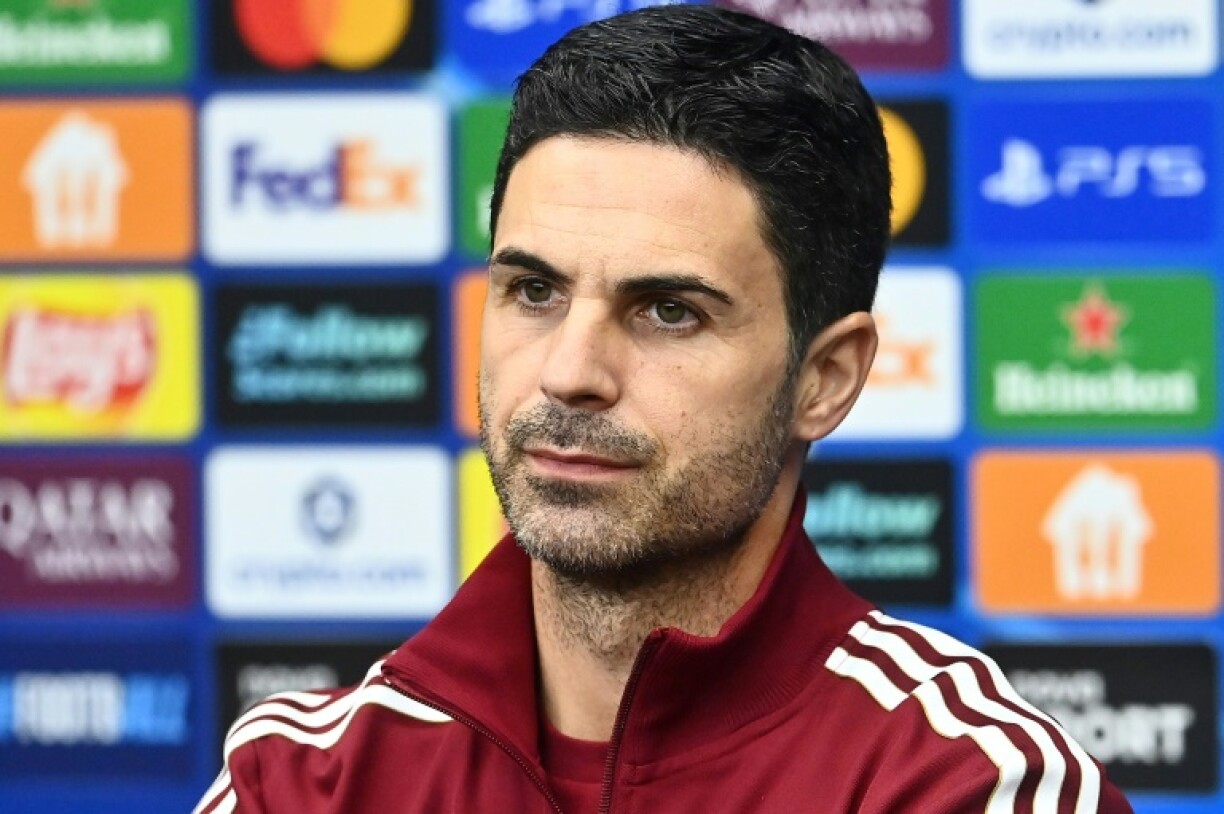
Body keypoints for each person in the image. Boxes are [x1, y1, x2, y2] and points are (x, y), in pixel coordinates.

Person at [194, 6, 1133, 812]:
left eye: (668, 311)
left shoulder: (966, 784)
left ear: (828, 377)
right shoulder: (305, 779)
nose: (571, 373)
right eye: (534, 292)